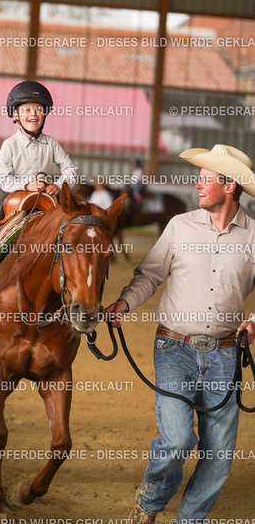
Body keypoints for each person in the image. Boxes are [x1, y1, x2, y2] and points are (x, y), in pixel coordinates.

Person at [105, 144, 255, 524]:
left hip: (225, 355)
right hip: (174, 348)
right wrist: (124, 303)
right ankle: (150, 502)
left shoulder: (254, 236)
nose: (197, 185)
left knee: (219, 456)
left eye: (206, 179)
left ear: (230, 185)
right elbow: (150, 275)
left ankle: (190, 520)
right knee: (177, 440)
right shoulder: (179, 225)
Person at [0, 80, 79, 284]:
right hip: (15, 194)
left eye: (38, 109)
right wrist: (26, 185)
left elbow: (71, 170)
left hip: (46, 196)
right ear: (15, 115)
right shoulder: (9, 144)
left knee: (73, 219)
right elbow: (2, 177)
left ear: (45, 114)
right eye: (26, 110)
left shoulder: (52, 143)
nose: (33, 114)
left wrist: (59, 184)